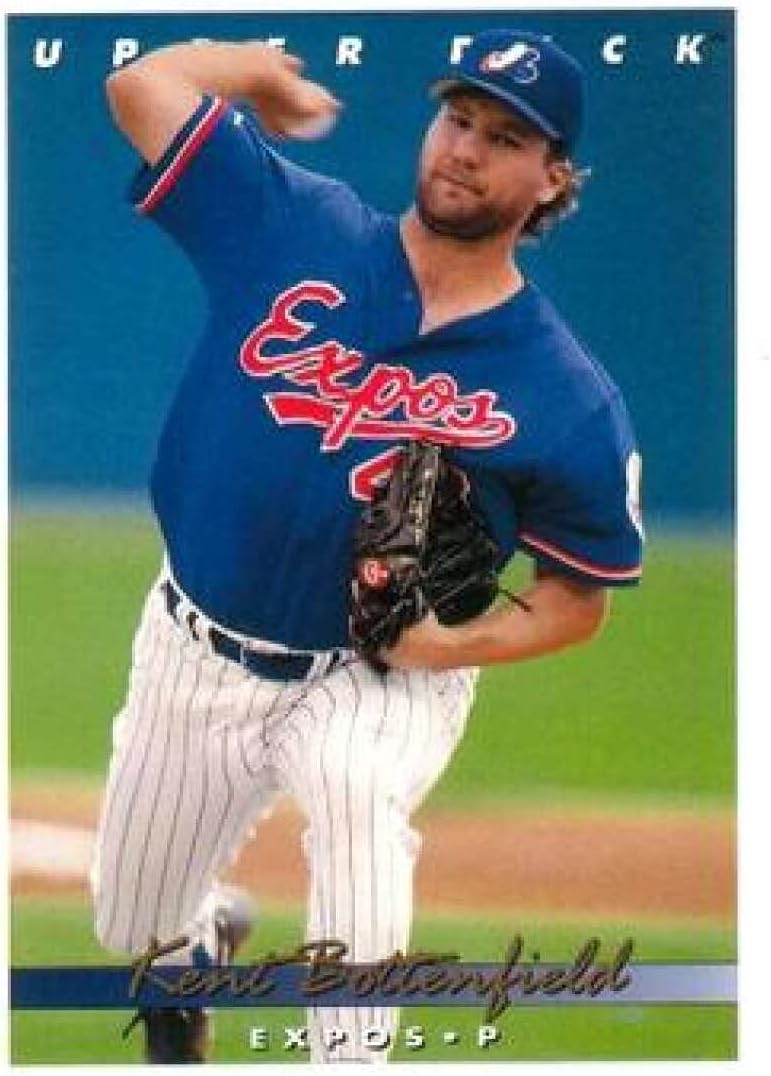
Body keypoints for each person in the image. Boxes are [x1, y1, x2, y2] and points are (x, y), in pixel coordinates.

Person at [92, 28, 643, 1064]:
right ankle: (200, 938)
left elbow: (580, 595)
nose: (465, 148)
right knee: (133, 926)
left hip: (378, 669)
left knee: (356, 792)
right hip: (196, 648)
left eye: (505, 137)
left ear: (551, 178)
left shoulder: (567, 394)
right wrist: (249, 70)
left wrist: (448, 645)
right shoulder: (293, 223)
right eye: (459, 118)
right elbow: (139, 85)